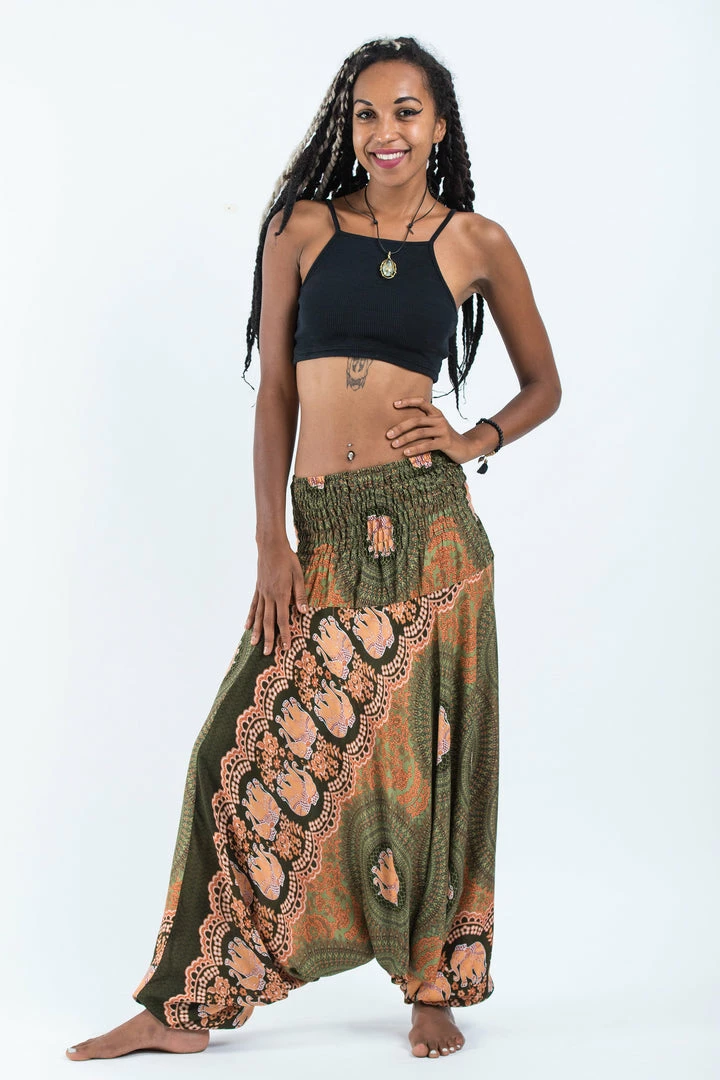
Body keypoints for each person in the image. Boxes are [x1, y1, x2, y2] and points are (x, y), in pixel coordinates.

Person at [65, 35, 561, 1063]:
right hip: (323, 532)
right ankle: (183, 1004)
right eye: (368, 112)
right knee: (228, 753)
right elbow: (278, 396)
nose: (386, 131)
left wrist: (474, 438)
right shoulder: (301, 228)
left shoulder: (476, 241)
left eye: (408, 111)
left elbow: (544, 384)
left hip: (429, 534)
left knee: (427, 771)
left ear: (439, 125)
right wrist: (270, 541)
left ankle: (432, 987)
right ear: (349, 123)